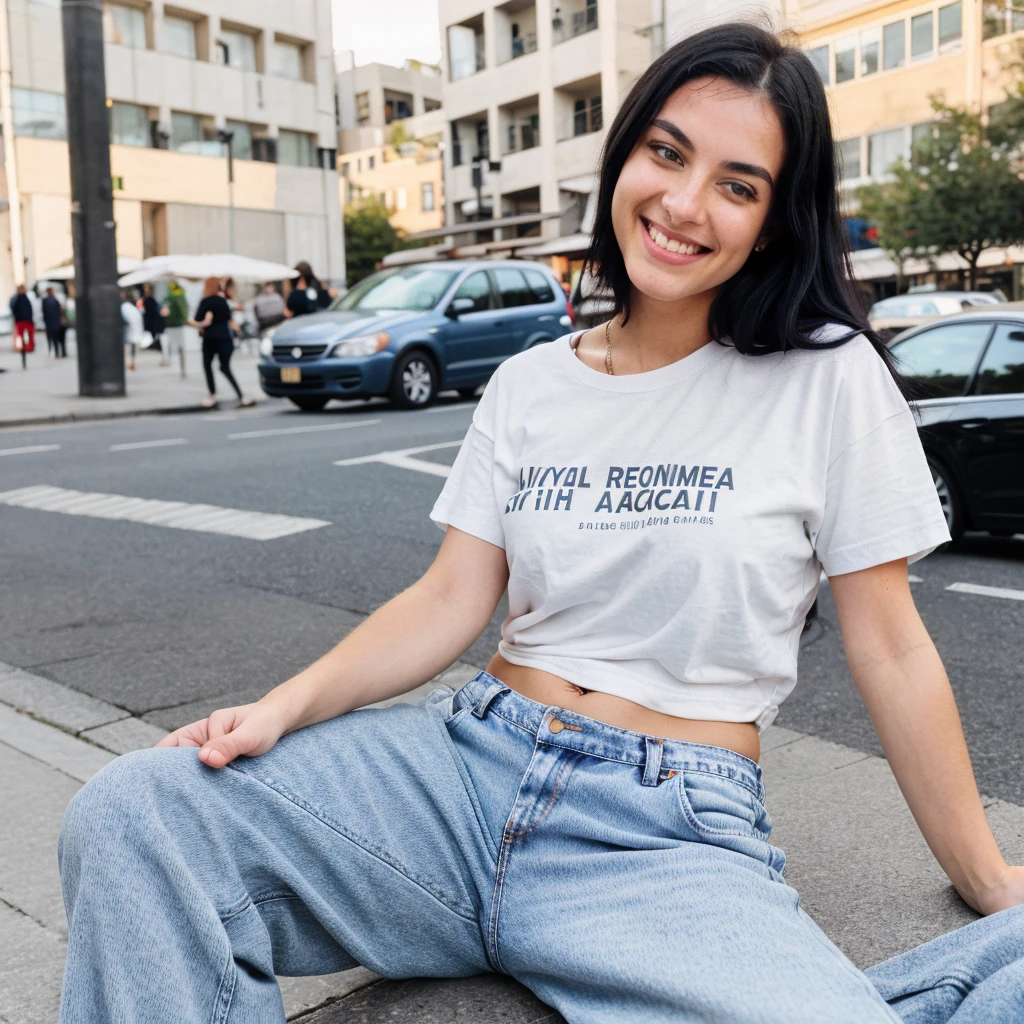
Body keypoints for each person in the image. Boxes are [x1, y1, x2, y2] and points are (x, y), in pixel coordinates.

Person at [57, 25, 1024, 1024]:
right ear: (625, 156)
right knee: (136, 812)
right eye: (666, 152)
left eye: (738, 185)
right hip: (459, 774)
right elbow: (449, 596)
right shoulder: (530, 382)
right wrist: (281, 709)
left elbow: (893, 645)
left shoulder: (823, 377)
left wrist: (986, 873)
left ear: (774, 222)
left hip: (662, 832)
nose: (684, 204)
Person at [187, 276, 255, 409]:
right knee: (225, 367)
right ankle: (241, 395)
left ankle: (212, 395)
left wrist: (205, 322)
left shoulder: (206, 301)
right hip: (225, 339)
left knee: (207, 366)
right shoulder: (223, 301)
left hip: (210, 339)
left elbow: (197, 318)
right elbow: (228, 317)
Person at [162, 280, 188, 377]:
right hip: (177, 325)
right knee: (179, 346)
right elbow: (184, 311)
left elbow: (164, 311)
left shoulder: (169, 298)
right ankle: (181, 369)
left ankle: (179, 368)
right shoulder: (179, 297)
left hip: (172, 324)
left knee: (174, 346)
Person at [9, 284, 34, 369]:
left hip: (25, 321)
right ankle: (23, 348)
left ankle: (26, 348)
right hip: (21, 321)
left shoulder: (23, 298)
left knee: (27, 336)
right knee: (21, 337)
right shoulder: (16, 298)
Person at [141, 284, 166, 364]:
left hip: (154, 322)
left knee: (159, 339)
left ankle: (164, 358)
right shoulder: (147, 299)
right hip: (152, 322)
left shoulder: (151, 300)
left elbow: (151, 312)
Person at [120, 290, 143, 370]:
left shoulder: (124, 306)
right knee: (130, 348)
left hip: (127, 331)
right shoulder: (129, 306)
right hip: (131, 330)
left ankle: (129, 363)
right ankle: (130, 363)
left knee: (127, 348)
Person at [41, 287, 66, 359]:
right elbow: (60, 311)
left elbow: (44, 313)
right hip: (57, 322)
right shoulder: (55, 300)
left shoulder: (45, 301)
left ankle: (56, 352)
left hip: (50, 323)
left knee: (53, 339)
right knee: (61, 339)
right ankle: (63, 352)